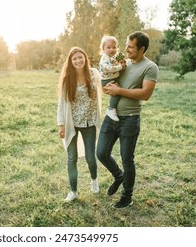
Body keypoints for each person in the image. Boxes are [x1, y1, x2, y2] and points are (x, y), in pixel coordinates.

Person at [96, 31, 158, 208]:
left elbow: (145, 94)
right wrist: (108, 88)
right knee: (101, 153)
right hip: (111, 115)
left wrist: (119, 91)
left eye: (130, 47)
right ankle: (119, 176)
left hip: (130, 119)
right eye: (126, 45)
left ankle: (126, 196)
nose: (126, 49)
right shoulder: (124, 63)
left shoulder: (150, 67)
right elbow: (108, 80)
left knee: (127, 159)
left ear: (142, 49)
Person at [57, 46, 103, 202]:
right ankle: (73, 191)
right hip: (72, 123)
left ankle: (94, 180)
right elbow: (61, 103)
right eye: (74, 58)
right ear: (70, 61)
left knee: (91, 157)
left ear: (85, 58)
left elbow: (110, 76)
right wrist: (61, 124)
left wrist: (118, 58)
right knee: (72, 158)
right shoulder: (67, 79)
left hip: (89, 122)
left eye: (80, 57)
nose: (78, 60)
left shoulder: (94, 74)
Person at [98, 35, 127, 122]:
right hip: (106, 80)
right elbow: (110, 68)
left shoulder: (113, 56)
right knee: (116, 93)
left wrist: (122, 59)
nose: (112, 49)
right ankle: (111, 108)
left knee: (118, 91)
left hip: (113, 78)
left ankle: (114, 107)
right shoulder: (104, 58)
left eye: (114, 47)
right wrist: (120, 67)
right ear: (103, 49)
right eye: (108, 47)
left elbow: (120, 58)